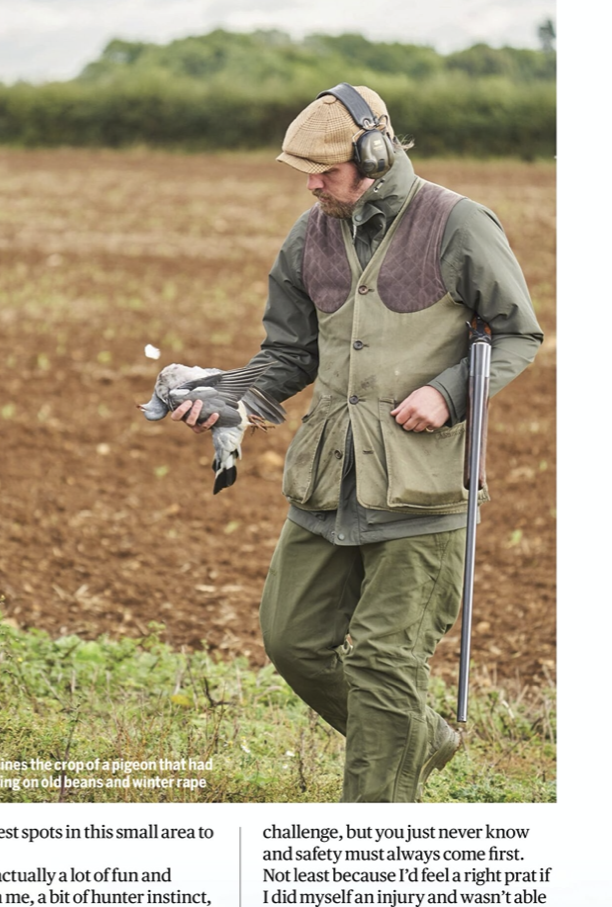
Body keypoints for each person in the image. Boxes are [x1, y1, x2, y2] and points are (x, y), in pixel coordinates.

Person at [173, 84, 542, 802]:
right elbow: (288, 353)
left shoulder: (456, 224)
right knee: (291, 640)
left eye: (324, 170)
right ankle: (415, 737)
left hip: (422, 491)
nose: (311, 184)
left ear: (375, 154)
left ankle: (370, 834)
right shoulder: (307, 235)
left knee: (382, 662)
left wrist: (448, 392)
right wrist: (231, 400)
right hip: (327, 482)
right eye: (303, 171)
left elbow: (517, 332)